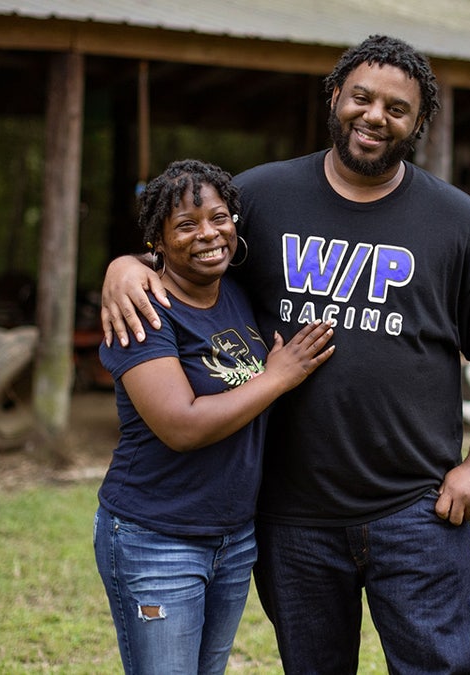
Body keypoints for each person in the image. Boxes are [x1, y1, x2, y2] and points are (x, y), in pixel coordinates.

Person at [101, 36, 470, 674]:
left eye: (396, 108)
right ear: (335, 97)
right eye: (361, 97)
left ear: (419, 123)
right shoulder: (264, 198)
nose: (374, 116)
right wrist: (125, 265)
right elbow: (194, 245)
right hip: (290, 516)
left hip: (416, 510)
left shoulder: (459, 223)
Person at [93, 159, 335, 675]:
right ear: (157, 241)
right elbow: (180, 425)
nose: (208, 234)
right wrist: (276, 377)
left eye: (219, 217)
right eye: (185, 224)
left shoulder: (238, 293)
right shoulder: (144, 313)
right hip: (157, 537)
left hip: (233, 538)